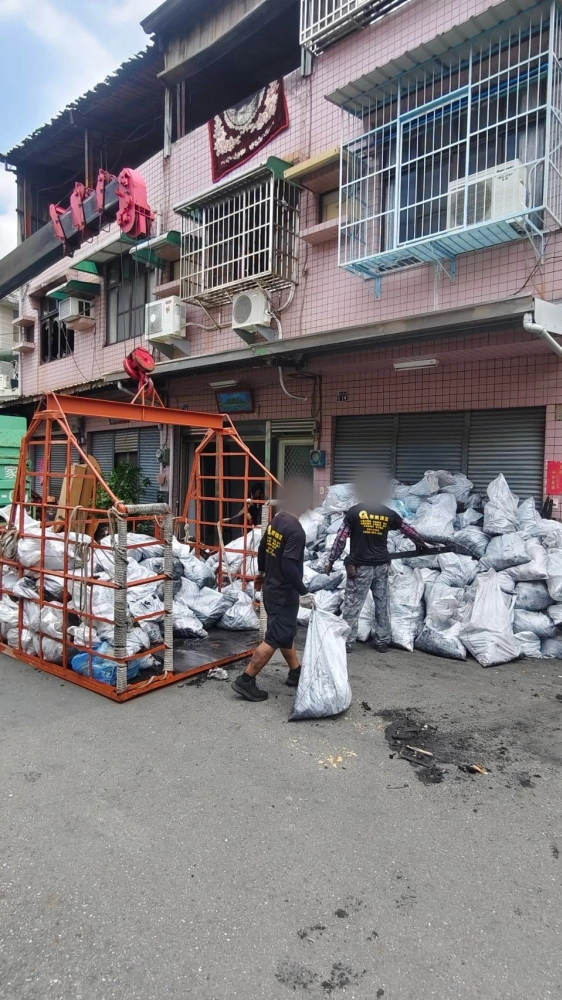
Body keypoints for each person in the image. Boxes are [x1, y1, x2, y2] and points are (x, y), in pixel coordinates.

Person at [232, 479, 314, 702]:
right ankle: (246, 680)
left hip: (271, 588)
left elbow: (261, 547)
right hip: (284, 593)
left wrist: (261, 572)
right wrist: (303, 592)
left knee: (285, 632)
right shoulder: (296, 531)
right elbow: (289, 565)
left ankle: (295, 672)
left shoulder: (278, 520)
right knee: (275, 636)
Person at [326, 471, 426, 652]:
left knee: (353, 605)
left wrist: (331, 560)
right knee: (382, 603)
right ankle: (382, 641)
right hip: (381, 565)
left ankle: (347, 642)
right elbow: (408, 529)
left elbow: (340, 539)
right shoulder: (388, 513)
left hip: (360, 567)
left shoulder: (355, 512)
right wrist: (421, 544)